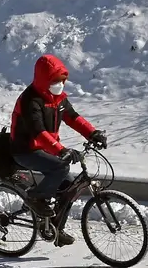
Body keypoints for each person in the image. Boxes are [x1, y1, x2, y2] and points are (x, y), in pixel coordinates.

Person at [11, 54, 107, 246]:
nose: (60, 84)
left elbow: (73, 118)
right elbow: (38, 132)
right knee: (60, 167)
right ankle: (35, 198)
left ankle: (55, 229)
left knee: (69, 187)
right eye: (55, 81)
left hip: (45, 148)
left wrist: (92, 133)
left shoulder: (58, 98)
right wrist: (60, 150)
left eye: (62, 80)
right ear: (44, 80)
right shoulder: (30, 100)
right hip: (25, 150)